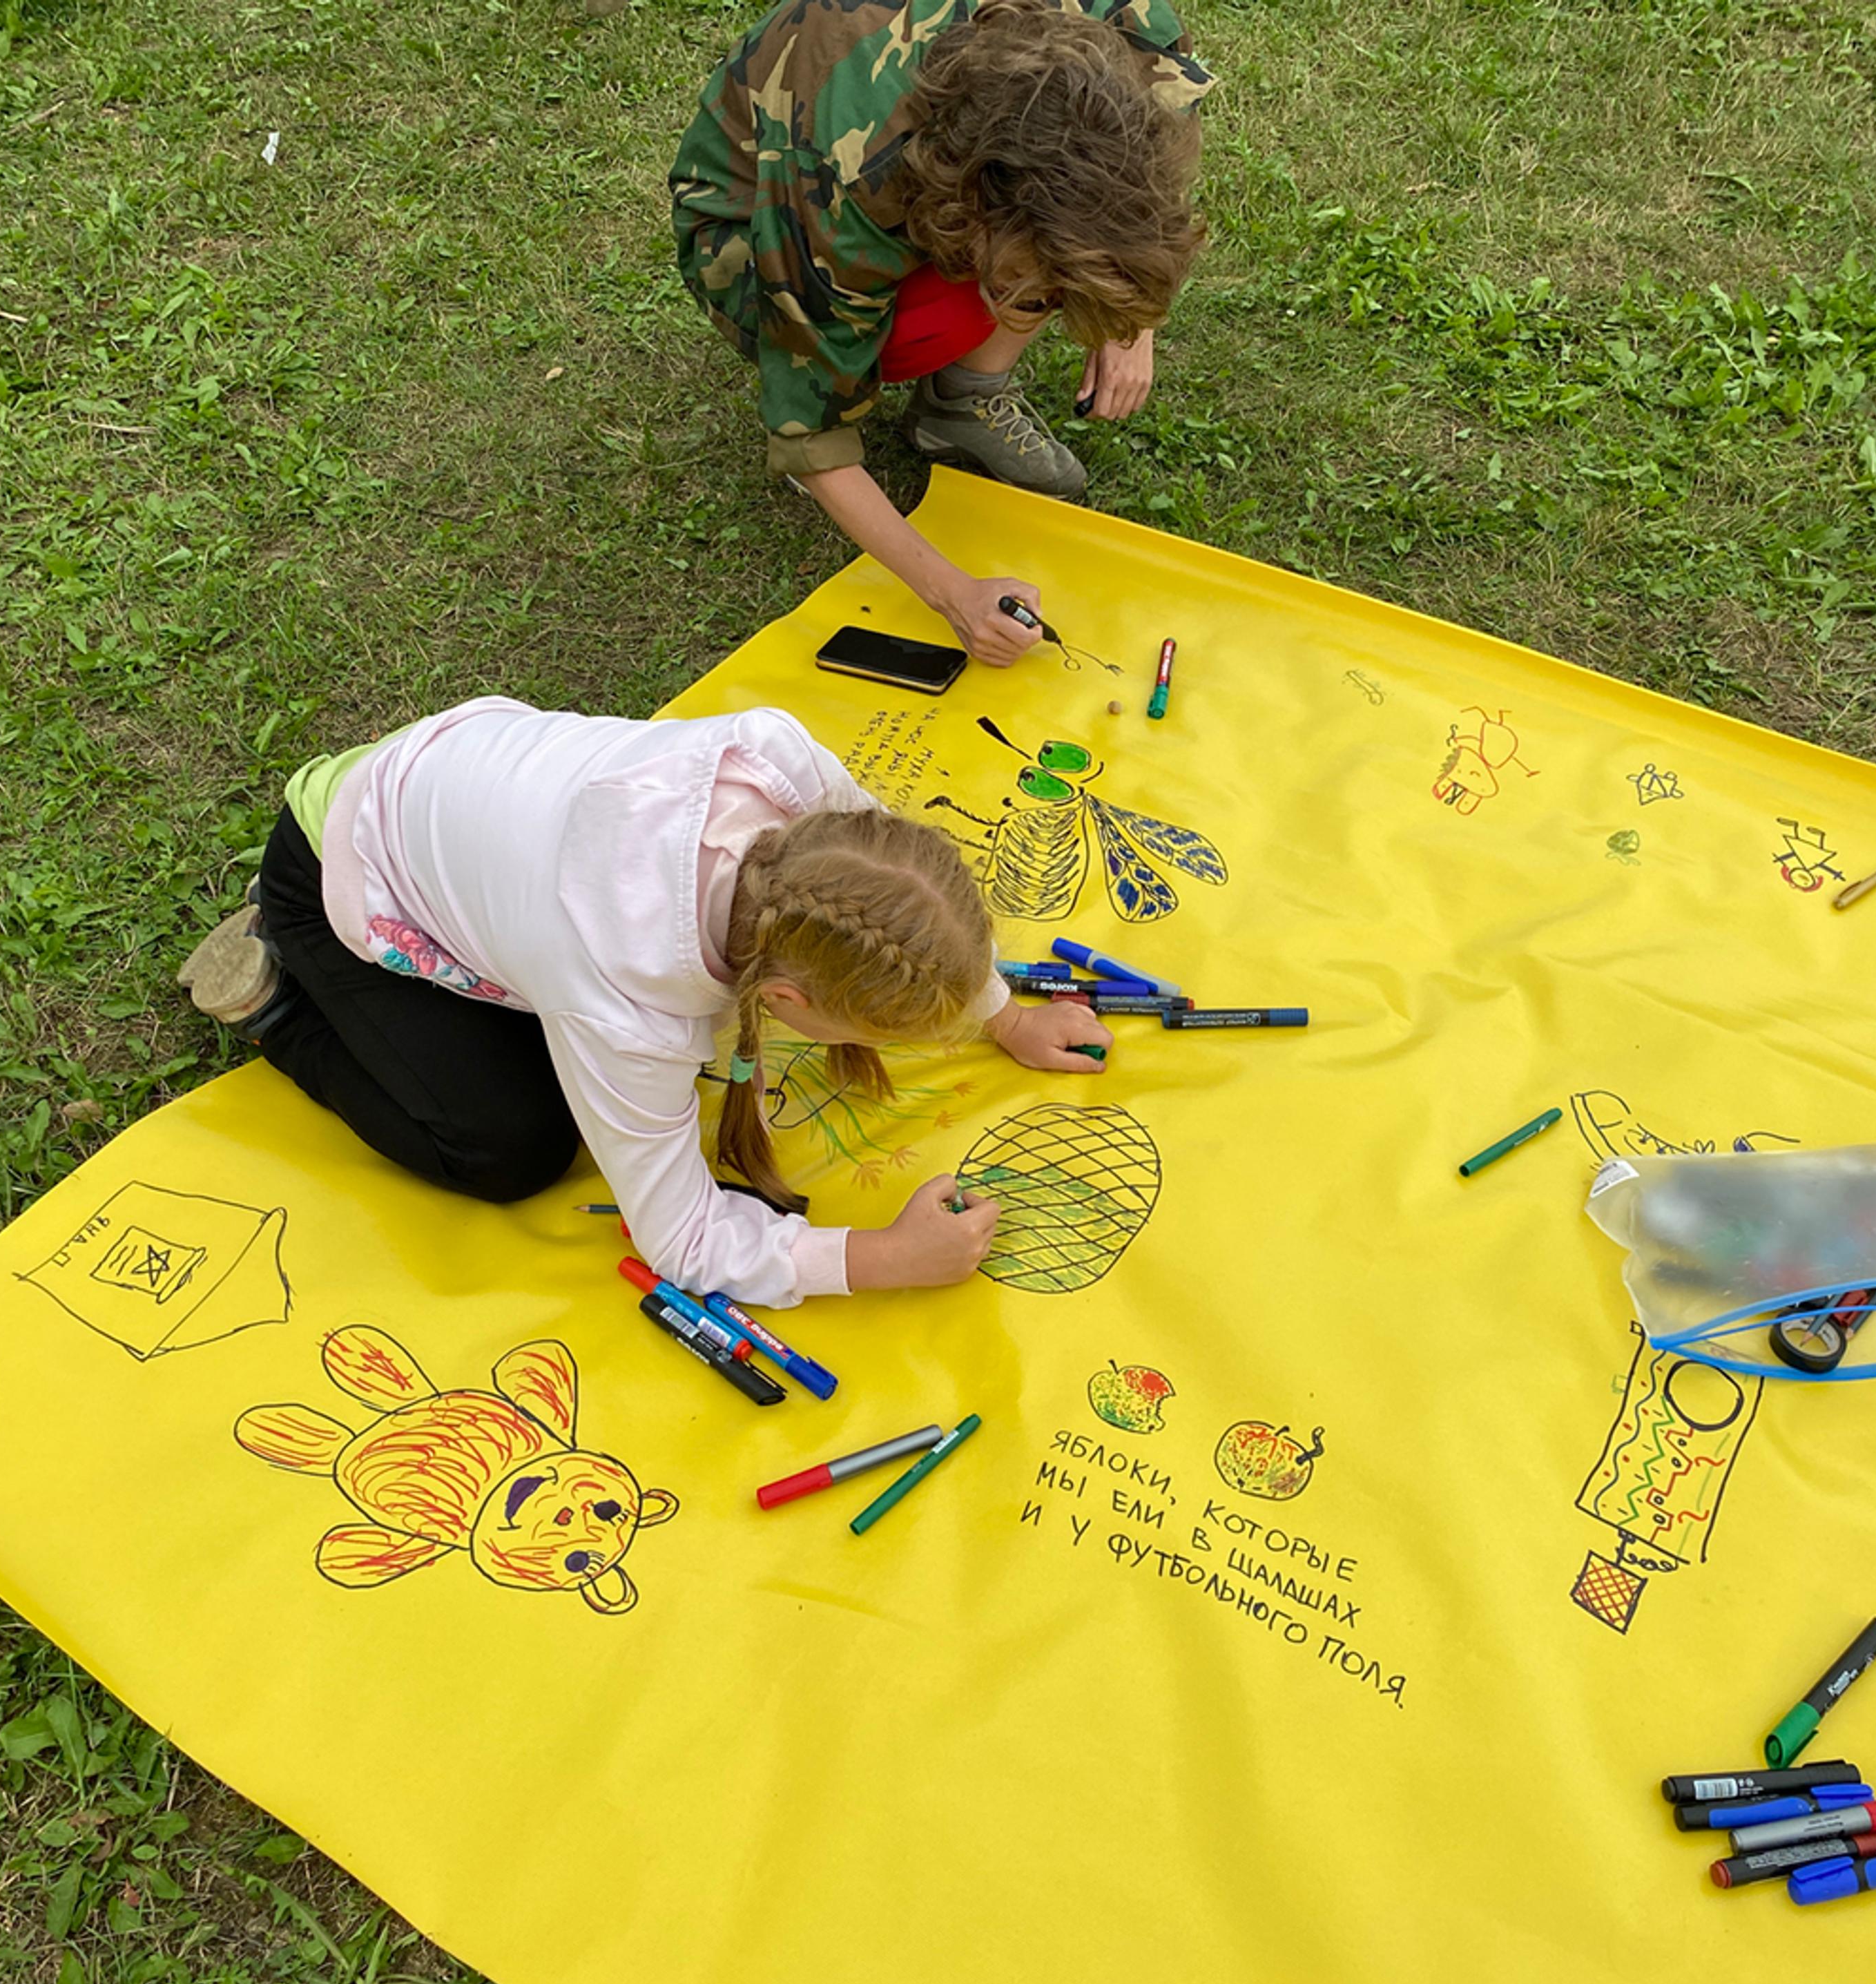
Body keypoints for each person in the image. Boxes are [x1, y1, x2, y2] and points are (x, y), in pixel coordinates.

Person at [174, 698, 1111, 1307]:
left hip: (448, 788)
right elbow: (684, 1239)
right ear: (784, 997)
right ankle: (281, 998)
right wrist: (878, 1259)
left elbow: (913, 918)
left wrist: (1009, 1014)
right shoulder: (622, 1002)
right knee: (510, 1148)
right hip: (343, 865)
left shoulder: (795, 783)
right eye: (882, 1031)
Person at [670, 0, 1211, 665]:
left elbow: (1154, 147)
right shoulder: (849, 178)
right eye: (1038, 291)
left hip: (943, 168)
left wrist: (1131, 318)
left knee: (1049, 266)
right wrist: (955, 594)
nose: (1047, 308)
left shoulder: (1120, 28)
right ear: (977, 213)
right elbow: (812, 437)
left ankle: (963, 402)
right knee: (929, 319)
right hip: (749, 214)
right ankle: (952, 353)